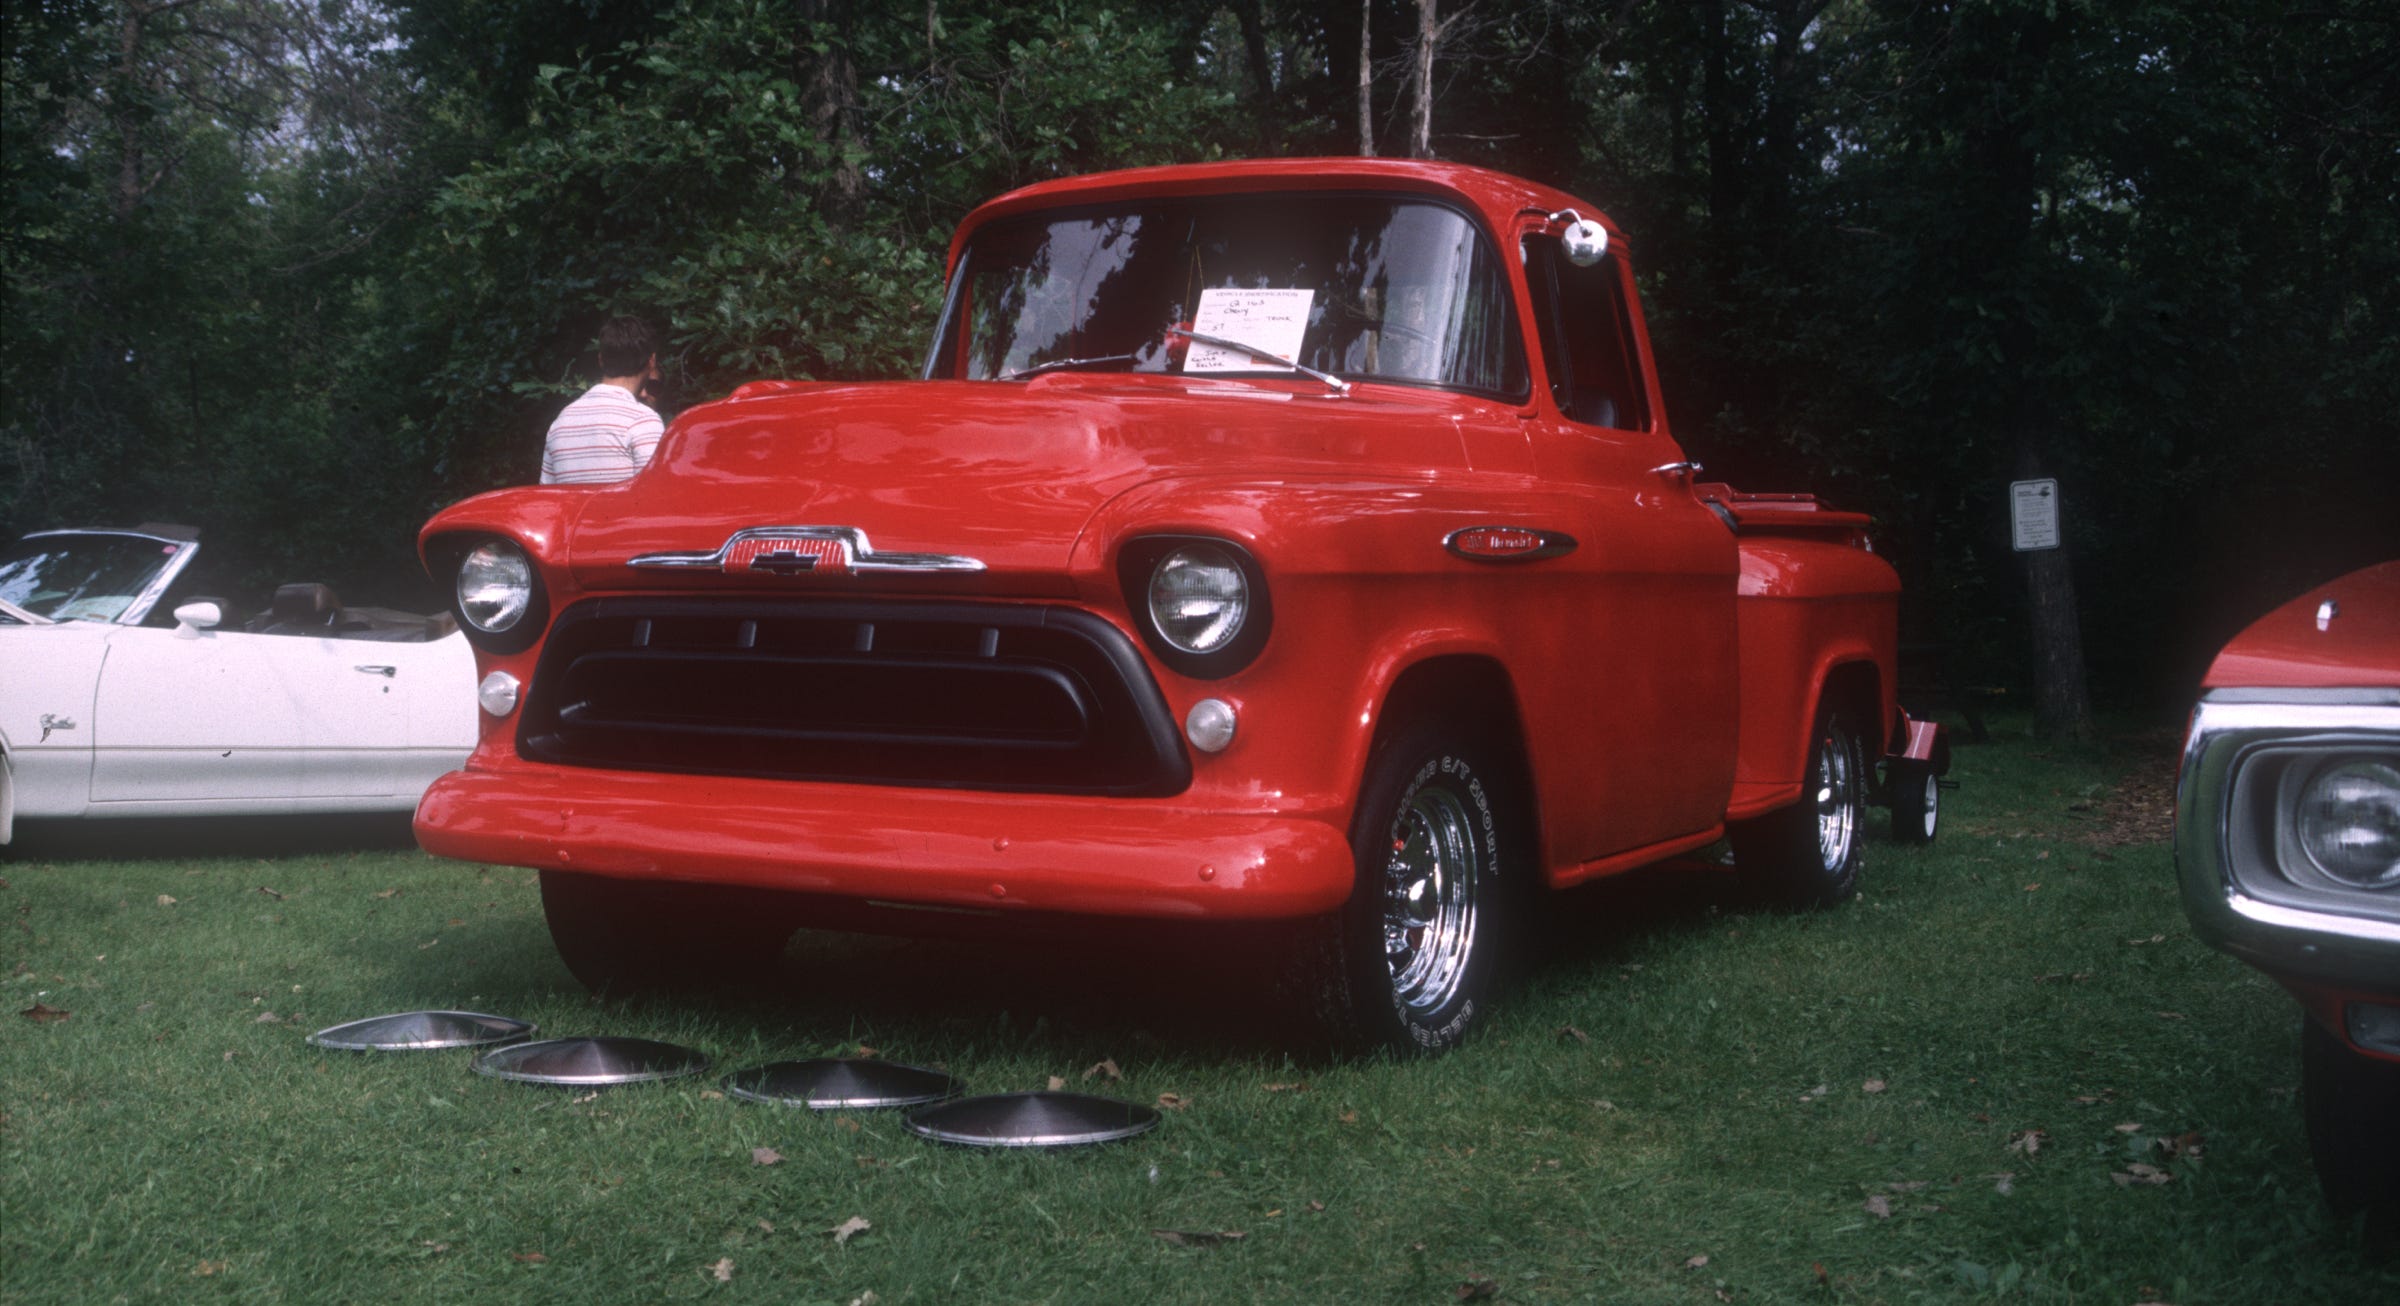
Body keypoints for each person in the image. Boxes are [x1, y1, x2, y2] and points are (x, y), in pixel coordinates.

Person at [540, 316, 665, 485]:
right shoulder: (643, 420)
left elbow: (549, 499)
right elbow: (654, 496)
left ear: (601, 360)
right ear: (652, 361)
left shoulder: (560, 423)